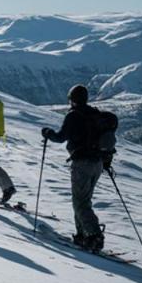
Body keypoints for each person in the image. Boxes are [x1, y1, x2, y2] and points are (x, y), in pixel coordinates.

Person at [41, 84, 106, 252]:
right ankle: (82, 234)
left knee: (80, 202)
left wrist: (48, 133)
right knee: (84, 200)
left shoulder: (73, 116)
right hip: (97, 163)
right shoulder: (95, 114)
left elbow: (60, 137)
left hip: (82, 163)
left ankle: (93, 235)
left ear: (72, 99)